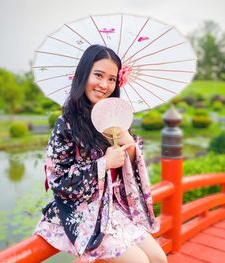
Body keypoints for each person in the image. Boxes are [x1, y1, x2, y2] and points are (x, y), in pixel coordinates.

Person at [34, 44, 167, 263]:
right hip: (85, 213)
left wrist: (130, 146)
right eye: (98, 75)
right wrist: (102, 164)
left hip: (114, 209)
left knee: (159, 258)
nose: (104, 85)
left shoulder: (114, 118)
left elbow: (131, 171)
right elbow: (56, 179)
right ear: (83, 75)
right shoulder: (66, 123)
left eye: (112, 79)